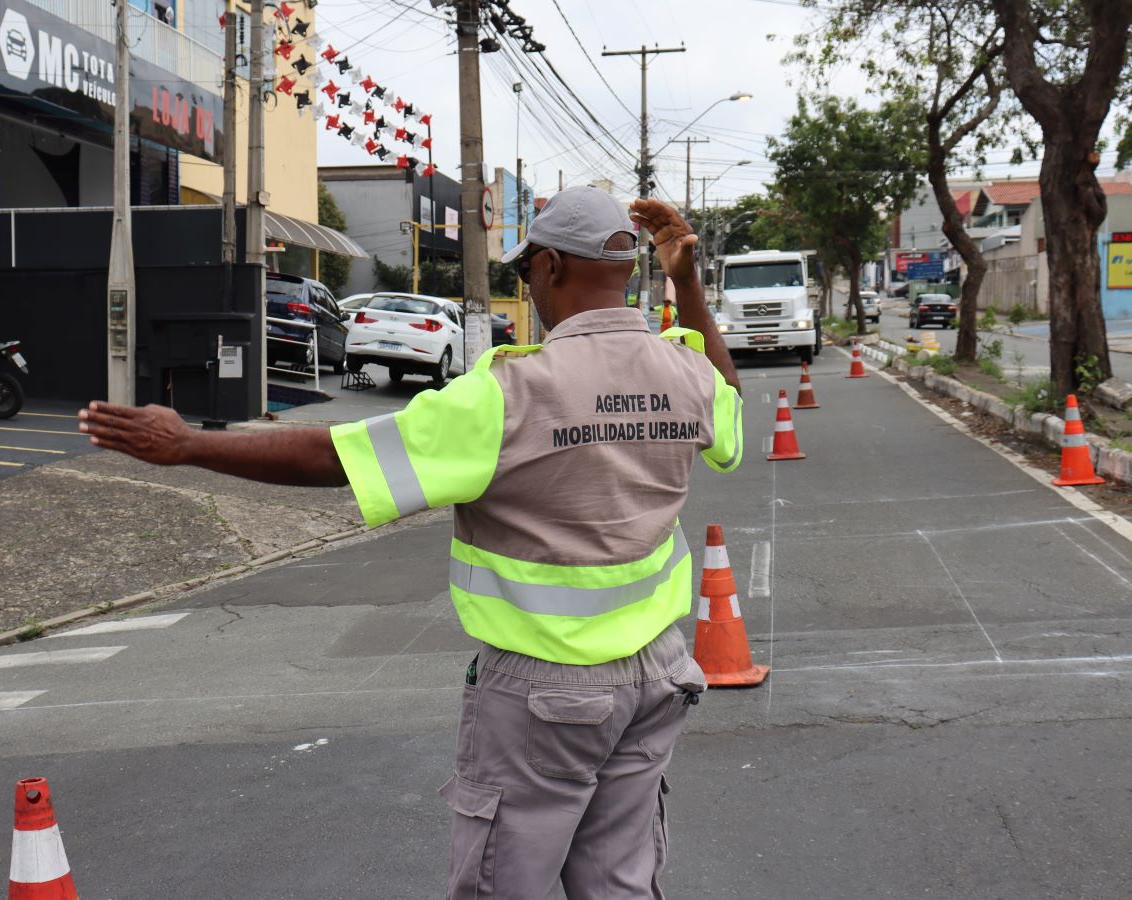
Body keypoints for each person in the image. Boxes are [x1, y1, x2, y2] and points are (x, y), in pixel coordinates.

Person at [77, 188, 743, 899]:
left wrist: (188, 446)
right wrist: (687, 283)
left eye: (525, 275)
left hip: (548, 691)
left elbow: (339, 459)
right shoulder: (685, 373)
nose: (529, 289)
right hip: (657, 678)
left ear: (549, 266)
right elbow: (729, 402)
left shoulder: (509, 395)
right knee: (620, 885)